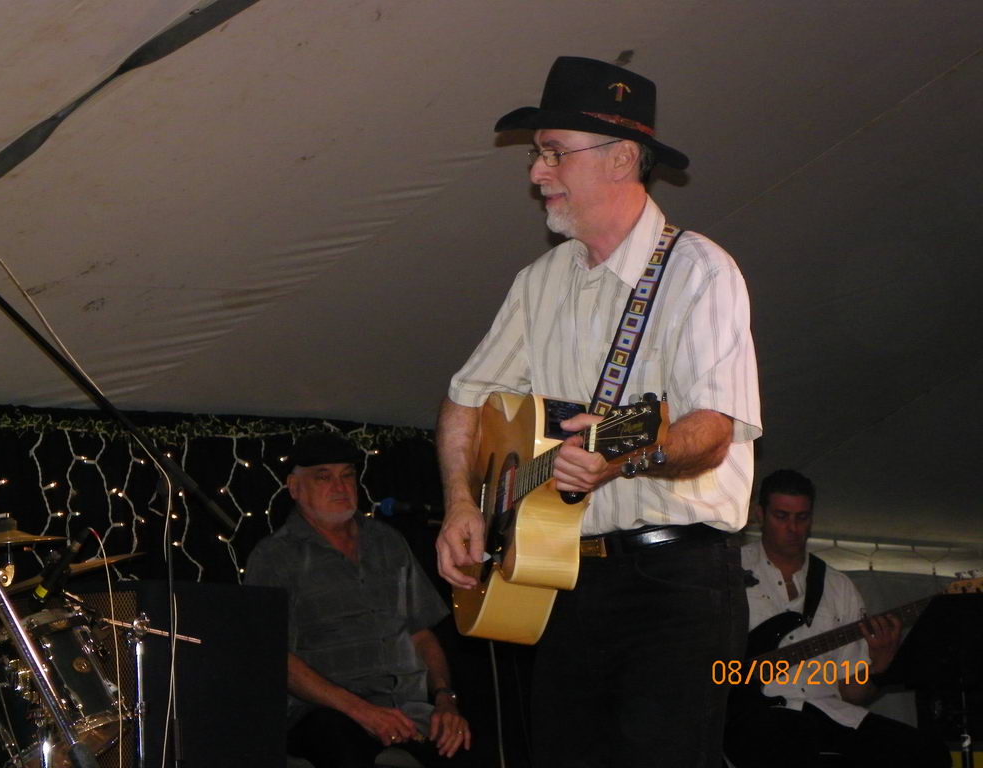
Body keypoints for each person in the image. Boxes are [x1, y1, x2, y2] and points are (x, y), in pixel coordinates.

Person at [435, 56, 762, 768]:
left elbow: (711, 431)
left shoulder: (700, 271)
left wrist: (625, 459)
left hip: (675, 586)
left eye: (555, 152)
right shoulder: (540, 281)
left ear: (620, 158)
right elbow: (466, 398)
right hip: (566, 578)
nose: (536, 173)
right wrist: (462, 503)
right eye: (537, 154)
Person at [245, 431, 472, 768]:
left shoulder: (387, 542)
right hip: (326, 713)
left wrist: (445, 701)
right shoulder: (274, 557)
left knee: (459, 741)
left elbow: (421, 634)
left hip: (407, 709)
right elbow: (275, 658)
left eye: (347, 475)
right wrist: (361, 710)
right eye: (324, 477)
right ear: (294, 488)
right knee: (337, 738)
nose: (339, 486)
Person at [723, 469, 951, 767]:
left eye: (802, 517)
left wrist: (879, 668)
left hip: (826, 712)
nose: (793, 528)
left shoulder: (838, 586)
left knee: (928, 753)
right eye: (781, 516)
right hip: (749, 716)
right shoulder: (727, 572)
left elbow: (852, 694)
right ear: (759, 515)